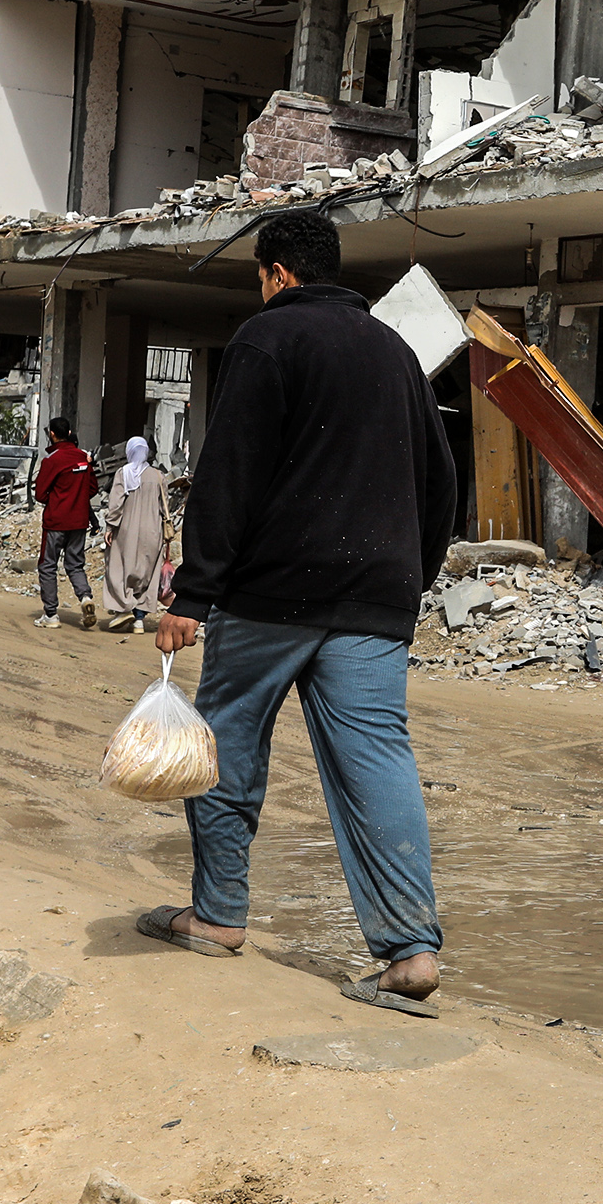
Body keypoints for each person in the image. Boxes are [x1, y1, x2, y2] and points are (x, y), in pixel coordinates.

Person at [134, 209, 459, 1015]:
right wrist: (408, 579)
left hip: (274, 590)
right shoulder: (396, 352)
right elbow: (441, 482)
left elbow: (229, 475)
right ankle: (411, 954)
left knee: (226, 744)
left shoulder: (267, 340)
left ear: (275, 272)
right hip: (378, 599)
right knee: (376, 760)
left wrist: (194, 595)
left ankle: (216, 916)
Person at [28, 417, 98, 630]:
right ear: (69, 433)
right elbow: (93, 488)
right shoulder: (83, 459)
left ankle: (51, 614)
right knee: (75, 564)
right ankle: (85, 597)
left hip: (56, 521)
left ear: (51, 434)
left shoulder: (52, 460)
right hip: (79, 521)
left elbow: (40, 494)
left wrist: (59, 498)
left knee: (48, 565)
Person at [96, 435, 171, 633]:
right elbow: (165, 507)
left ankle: (124, 608)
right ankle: (139, 619)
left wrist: (110, 527)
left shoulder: (123, 473)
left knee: (119, 569)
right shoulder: (158, 476)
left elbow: (116, 504)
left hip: (126, 531)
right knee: (147, 573)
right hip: (152, 532)